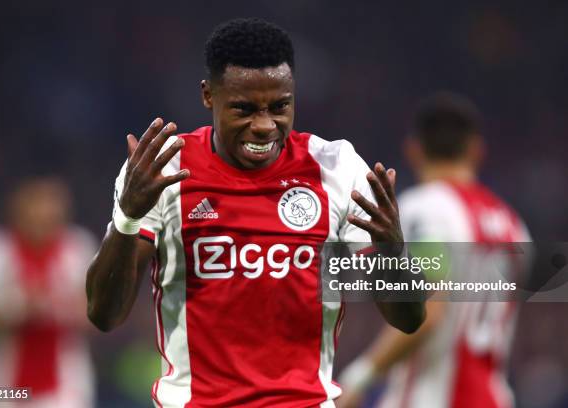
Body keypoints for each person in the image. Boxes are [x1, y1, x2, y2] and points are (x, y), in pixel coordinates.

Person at [86, 18, 425, 407]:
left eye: (280, 106)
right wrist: (127, 218)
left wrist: (393, 253)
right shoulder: (163, 168)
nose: (264, 125)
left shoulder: (338, 167)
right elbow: (104, 315)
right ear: (208, 95)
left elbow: (409, 319)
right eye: (244, 109)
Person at [336, 92, 531, 408]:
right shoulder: (513, 225)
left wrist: (360, 376)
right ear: (476, 150)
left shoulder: (427, 211)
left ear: (413, 150)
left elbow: (430, 309)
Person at [0, 177, 97, 408]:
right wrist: (11, 309)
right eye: (36, 208)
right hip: (2, 386)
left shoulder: (78, 248)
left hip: (67, 388)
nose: (43, 217)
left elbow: (99, 318)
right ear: (18, 209)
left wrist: (57, 306)